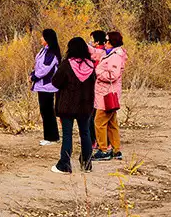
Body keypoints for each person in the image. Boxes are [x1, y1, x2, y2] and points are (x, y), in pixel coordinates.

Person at [50, 37, 97, 174]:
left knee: (67, 135)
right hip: (85, 106)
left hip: (67, 106)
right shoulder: (90, 65)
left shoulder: (66, 65)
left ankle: (64, 164)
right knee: (85, 134)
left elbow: (55, 82)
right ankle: (87, 164)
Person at [91, 30, 127, 161]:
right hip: (107, 93)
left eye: (107, 41)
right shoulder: (111, 54)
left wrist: (98, 72)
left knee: (99, 122)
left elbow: (113, 75)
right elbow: (96, 53)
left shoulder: (115, 56)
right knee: (112, 123)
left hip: (106, 95)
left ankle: (103, 150)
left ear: (112, 42)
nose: (104, 43)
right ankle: (116, 150)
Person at [31, 28, 61, 146]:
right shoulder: (44, 51)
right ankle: (49, 136)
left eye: (43, 37)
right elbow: (38, 65)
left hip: (47, 86)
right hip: (42, 86)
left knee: (48, 111)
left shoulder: (51, 53)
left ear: (48, 39)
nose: (41, 38)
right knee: (45, 111)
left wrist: (34, 77)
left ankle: (51, 137)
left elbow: (44, 69)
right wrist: (33, 74)